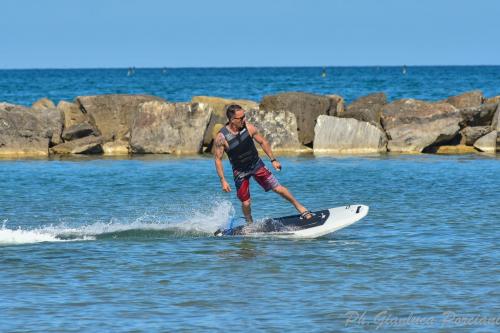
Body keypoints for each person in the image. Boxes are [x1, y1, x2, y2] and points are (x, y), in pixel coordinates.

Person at [214, 104, 312, 223]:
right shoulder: (221, 137)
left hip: (256, 165)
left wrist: (273, 160)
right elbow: (218, 159)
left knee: (278, 188)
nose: (244, 120)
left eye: (244, 116)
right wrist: (223, 180)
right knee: (246, 202)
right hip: (240, 171)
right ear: (232, 120)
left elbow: (263, 142)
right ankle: (249, 223)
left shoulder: (248, 128)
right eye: (241, 118)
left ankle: (300, 208)